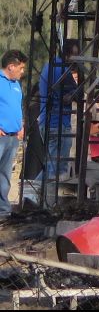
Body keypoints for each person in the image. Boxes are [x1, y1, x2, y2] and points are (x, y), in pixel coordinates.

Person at [38, 39, 80, 181]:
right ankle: (47, 199)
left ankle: (31, 193)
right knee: (57, 168)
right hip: (59, 123)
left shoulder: (48, 66)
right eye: (75, 55)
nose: (77, 59)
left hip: (46, 122)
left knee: (50, 163)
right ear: (68, 55)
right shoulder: (63, 71)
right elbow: (77, 95)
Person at [0, 50, 27, 219]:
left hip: (12, 137)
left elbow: (17, 106)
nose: (22, 71)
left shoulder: (16, 85)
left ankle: (3, 209)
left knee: (5, 175)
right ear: (11, 66)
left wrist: (21, 124)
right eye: (21, 68)